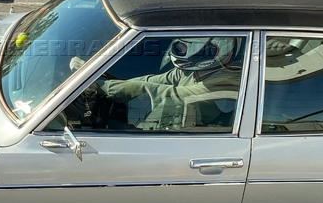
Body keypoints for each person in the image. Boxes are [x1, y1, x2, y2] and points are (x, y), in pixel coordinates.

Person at [81, 37, 244, 132]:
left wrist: (101, 87)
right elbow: (149, 81)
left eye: (183, 48)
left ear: (209, 51)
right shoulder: (190, 71)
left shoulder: (227, 80)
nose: (179, 50)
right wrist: (94, 77)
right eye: (178, 46)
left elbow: (162, 92)